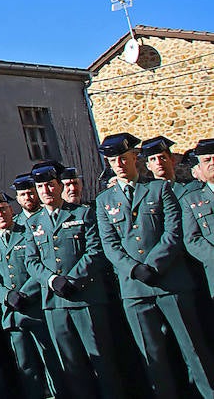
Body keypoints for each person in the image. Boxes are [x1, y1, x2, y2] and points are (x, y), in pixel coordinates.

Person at [94, 132, 214, 399]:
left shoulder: (159, 189)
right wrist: (134, 269)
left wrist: (154, 263)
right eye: (114, 161)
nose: (120, 165)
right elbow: (109, 244)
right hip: (134, 289)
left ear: (135, 158)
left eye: (124, 159)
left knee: (193, 349)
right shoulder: (104, 202)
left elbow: (173, 232)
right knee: (154, 356)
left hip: (171, 282)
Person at [29, 159, 123, 399]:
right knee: (72, 366)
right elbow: (31, 261)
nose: (46, 191)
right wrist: (52, 280)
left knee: (102, 361)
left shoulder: (83, 213)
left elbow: (95, 250)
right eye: (41, 188)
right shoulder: (32, 223)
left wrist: (73, 280)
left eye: (50, 185)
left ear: (59, 186)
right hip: (55, 304)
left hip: (86, 298)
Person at [0, 192, 63, 399]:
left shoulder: (29, 233)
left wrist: (25, 293)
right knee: (25, 367)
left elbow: (40, 265)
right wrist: (7, 296)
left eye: (3, 209)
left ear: (11, 210)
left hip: (37, 308)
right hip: (13, 315)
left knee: (51, 361)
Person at [182, 139, 214, 293]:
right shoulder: (192, 200)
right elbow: (192, 239)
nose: (212, 163)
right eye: (207, 160)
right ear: (200, 168)